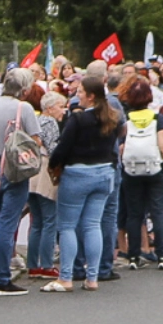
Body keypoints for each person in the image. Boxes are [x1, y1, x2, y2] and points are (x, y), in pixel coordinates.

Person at [43, 76, 120, 292]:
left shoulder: (78, 120)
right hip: (104, 173)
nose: (77, 95)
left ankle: (66, 277)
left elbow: (63, 147)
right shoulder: (112, 117)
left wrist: (53, 164)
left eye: (80, 92)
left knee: (67, 226)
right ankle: (92, 278)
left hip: (77, 173)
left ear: (91, 96)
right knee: (92, 225)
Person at [0, 69, 40, 296]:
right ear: (24, 89)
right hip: (13, 169)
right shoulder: (25, 108)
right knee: (7, 223)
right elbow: (35, 141)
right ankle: (1, 277)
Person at [118, 79, 163, 269]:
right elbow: (162, 145)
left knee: (134, 214)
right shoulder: (156, 117)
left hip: (132, 169)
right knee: (158, 211)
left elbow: (122, 145)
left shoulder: (126, 118)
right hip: (155, 168)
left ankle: (133, 256)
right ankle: (161, 256)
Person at [25, 91, 65, 278]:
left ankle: (33, 265)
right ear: (49, 108)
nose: (63, 111)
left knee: (36, 221)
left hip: (31, 173)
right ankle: (47, 264)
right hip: (44, 172)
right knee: (50, 220)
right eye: (60, 106)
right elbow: (53, 148)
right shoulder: (50, 123)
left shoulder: (36, 120)